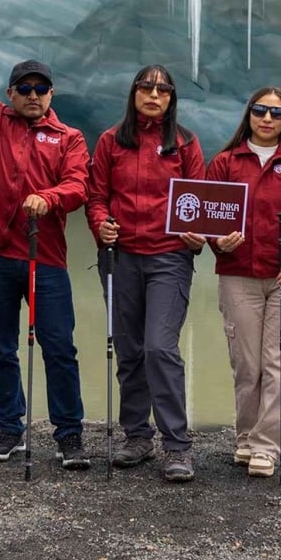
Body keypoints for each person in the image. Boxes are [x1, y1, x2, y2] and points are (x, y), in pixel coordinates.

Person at [0, 0, 91, 470]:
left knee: (60, 348)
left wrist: (48, 199)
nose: (33, 95)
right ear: (10, 93)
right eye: (25, 88)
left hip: (44, 257)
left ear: (51, 93)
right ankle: (9, 427)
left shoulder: (69, 137)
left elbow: (79, 186)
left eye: (41, 88)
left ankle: (69, 435)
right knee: (1, 348)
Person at [183, 87, 281, 478]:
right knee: (246, 364)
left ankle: (266, 446)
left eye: (276, 113)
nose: (267, 119)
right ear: (249, 115)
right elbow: (209, 216)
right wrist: (217, 243)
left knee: (279, 364)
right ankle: (245, 437)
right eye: (260, 110)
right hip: (238, 274)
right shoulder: (225, 163)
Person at [86, 65, 205, 482]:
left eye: (163, 89)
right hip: (121, 257)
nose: (154, 95)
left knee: (159, 347)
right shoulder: (111, 141)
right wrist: (100, 224)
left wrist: (198, 235)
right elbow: (96, 196)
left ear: (172, 98)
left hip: (169, 257)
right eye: (146, 87)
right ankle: (137, 435)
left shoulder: (185, 143)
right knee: (129, 348)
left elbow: (200, 199)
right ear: (134, 92)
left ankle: (177, 445)